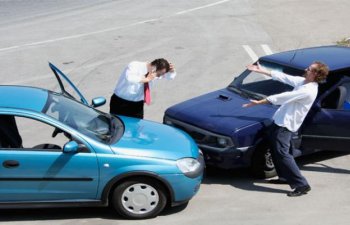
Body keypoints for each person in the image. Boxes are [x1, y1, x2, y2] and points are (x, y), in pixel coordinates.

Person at [243, 61, 329, 197]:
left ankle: (302, 185)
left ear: (315, 74)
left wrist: (260, 102)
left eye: (310, 68)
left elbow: (283, 97)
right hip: (280, 122)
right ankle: (284, 177)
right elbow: (284, 77)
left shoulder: (308, 90)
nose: (306, 68)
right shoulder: (303, 82)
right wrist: (261, 70)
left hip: (285, 125)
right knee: (279, 150)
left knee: (283, 154)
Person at [110, 58, 176, 119]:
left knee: (136, 128)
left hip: (137, 105)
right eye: (159, 74)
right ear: (154, 68)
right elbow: (129, 78)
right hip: (120, 102)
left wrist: (172, 71)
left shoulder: (155, 74)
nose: (159, 76)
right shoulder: (135, 65)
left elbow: (170, 77)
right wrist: (146, 79)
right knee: (116, 126)